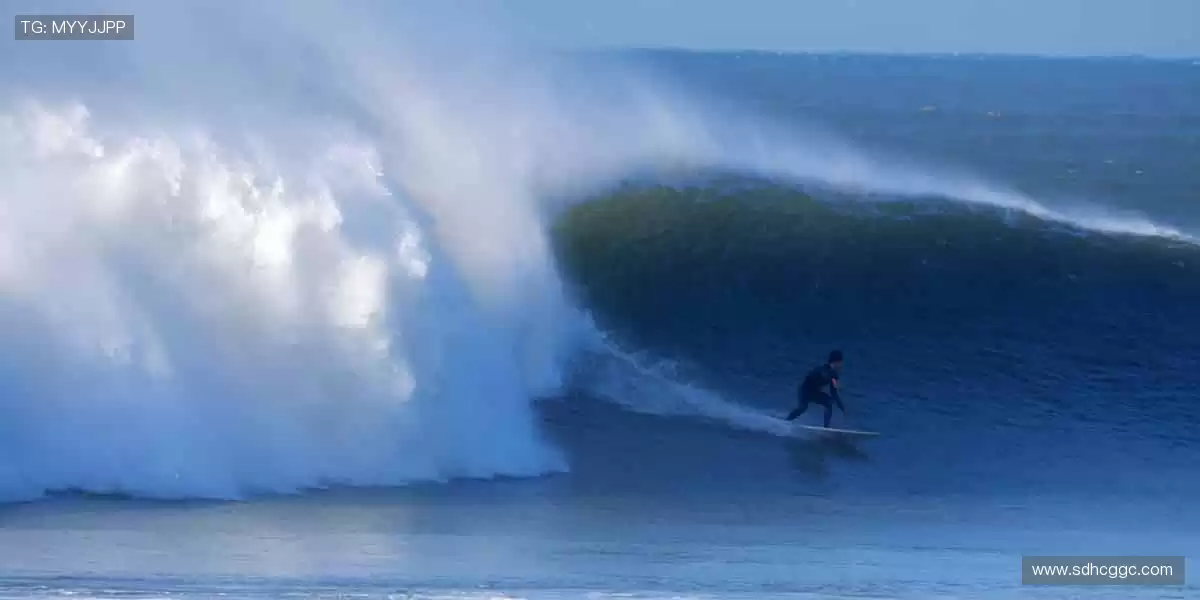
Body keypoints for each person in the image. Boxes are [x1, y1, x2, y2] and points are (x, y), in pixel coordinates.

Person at [784, 350, 846, 427]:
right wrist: (828, 378)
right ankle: (786, 422)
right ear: (835, 362)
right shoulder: (824, 370)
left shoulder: (834, 375)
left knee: (829, 402)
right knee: (802, 407)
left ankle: (826, 427)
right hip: (805, 390)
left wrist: (842, 407)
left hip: (815, 392)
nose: (841, 365)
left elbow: (834, 393)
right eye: (840, 362)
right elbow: (816, 376)